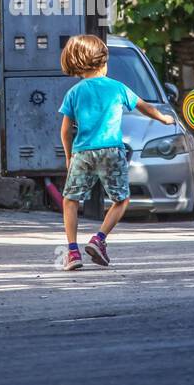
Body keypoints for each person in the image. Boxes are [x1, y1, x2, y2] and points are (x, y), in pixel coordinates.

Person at [58, 34, 174, 271]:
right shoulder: (117, 87)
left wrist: (69, 157)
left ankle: (72, 252)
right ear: (103, 62)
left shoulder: (74, 93)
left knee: (70, 200)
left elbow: (66, 130)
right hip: (112, 151)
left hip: (83, 153)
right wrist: (164, 118)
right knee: (121, 200)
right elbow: (145, 107)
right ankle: (99, 239)